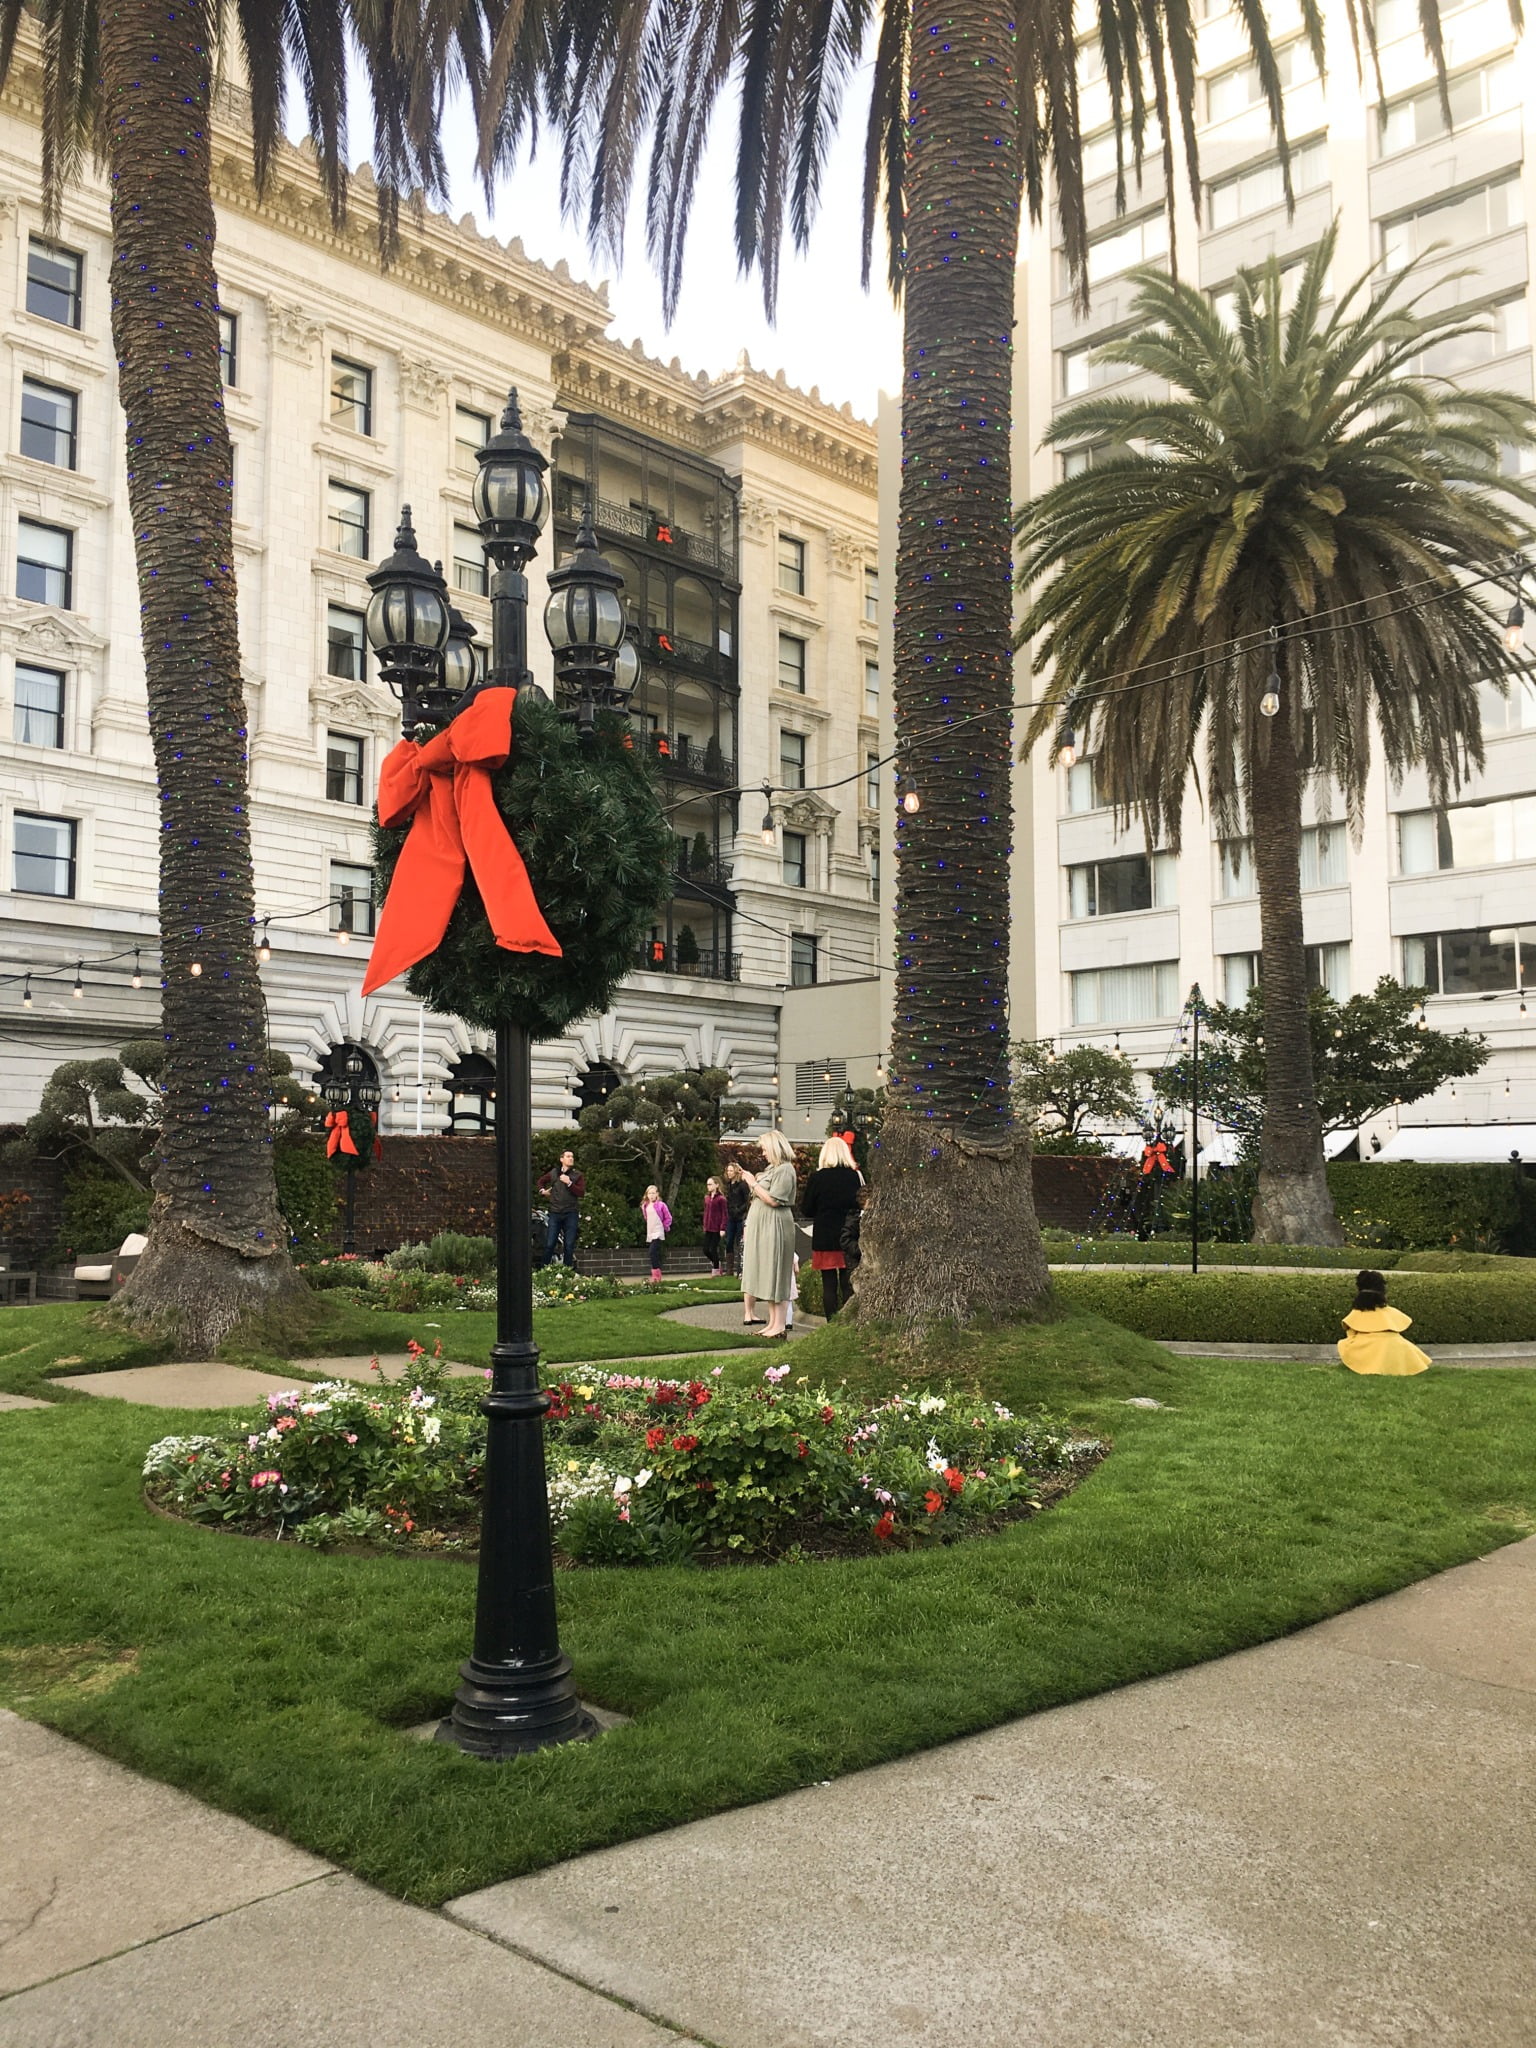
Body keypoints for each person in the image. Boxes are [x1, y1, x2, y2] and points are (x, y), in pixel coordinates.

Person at [740, 1128, 798, 1339]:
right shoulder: (772, 1169)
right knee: (767, 1273)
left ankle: (779, 1325)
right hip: (765, 1227)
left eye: (764, 1149)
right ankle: (773, 1323)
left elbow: (774, 1199)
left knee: (776, 1273)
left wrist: (752, 1183)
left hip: (775, 1226)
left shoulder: (785, 1170)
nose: (763, 1153)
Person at [800, 1135, 863, 1318]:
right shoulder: (854, 1176)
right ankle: (848, 1320)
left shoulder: (818, 1178)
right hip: (848, 1235)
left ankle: (831, 1322)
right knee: (847, 1281)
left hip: (824, 1236)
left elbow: (807, 1209)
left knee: (828, 1283)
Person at [1337, 1270, 1432, 1376]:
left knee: (1344, 1343)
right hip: (1396, 1347)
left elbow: (1350, 1333)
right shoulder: (1390, 1312)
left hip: (1366, 1349)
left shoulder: (1356, 1313)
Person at [537, 1149, 585, 1268]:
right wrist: (543, 1191)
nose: (571, 1158)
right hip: (555, 1212)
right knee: (550, 1243)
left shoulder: (577, 1175)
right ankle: (544, 1269)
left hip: (571, 1213)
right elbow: (541, 1181)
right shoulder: (554, 1173)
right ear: (561, 1159)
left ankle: (567, 1271)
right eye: (568, 1156)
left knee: (569, 1245)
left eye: (572, 1156)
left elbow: (581, 1193)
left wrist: (569, 1183)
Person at [724, 1162, 751, 1276]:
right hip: (731, 1217)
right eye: (728, 1171)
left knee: (739, 1241)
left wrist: (740, 1210)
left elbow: (747, 1200)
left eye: (731, 1171)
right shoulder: (729, 1185)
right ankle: (729, 1269)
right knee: (729, 1241)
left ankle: (740, 1268)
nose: (729, 1173)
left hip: (740, 1216)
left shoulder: (742, 1185)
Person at [641, 1185, 672, 1284]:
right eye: (649, 1193)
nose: (651, 1195)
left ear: (657, 1194)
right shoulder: (645, 1206)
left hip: (658, 1231)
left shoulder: (661, 1205)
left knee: (652, 1252)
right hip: (651, 1231)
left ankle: (656, 1275)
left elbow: (668, 1217)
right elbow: (647, 1218)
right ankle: (656, 1273)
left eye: (653, 1193)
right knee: (654, 1253)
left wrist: (665, 1226)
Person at [702, 1177, 728, 1276]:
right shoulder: (707, 1198)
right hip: (708, 1227)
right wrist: (704, 1225)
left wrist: (722, 1228)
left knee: (713, 1248)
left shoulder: (721, 1199)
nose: (708, 1186)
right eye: (708, 1184)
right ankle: (716, 1262)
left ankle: (716, 1270)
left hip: (716, 1228)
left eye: (710, 1184)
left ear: (717, 1185)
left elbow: (724, 1214)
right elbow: (705, 1212)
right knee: (705, 1249)